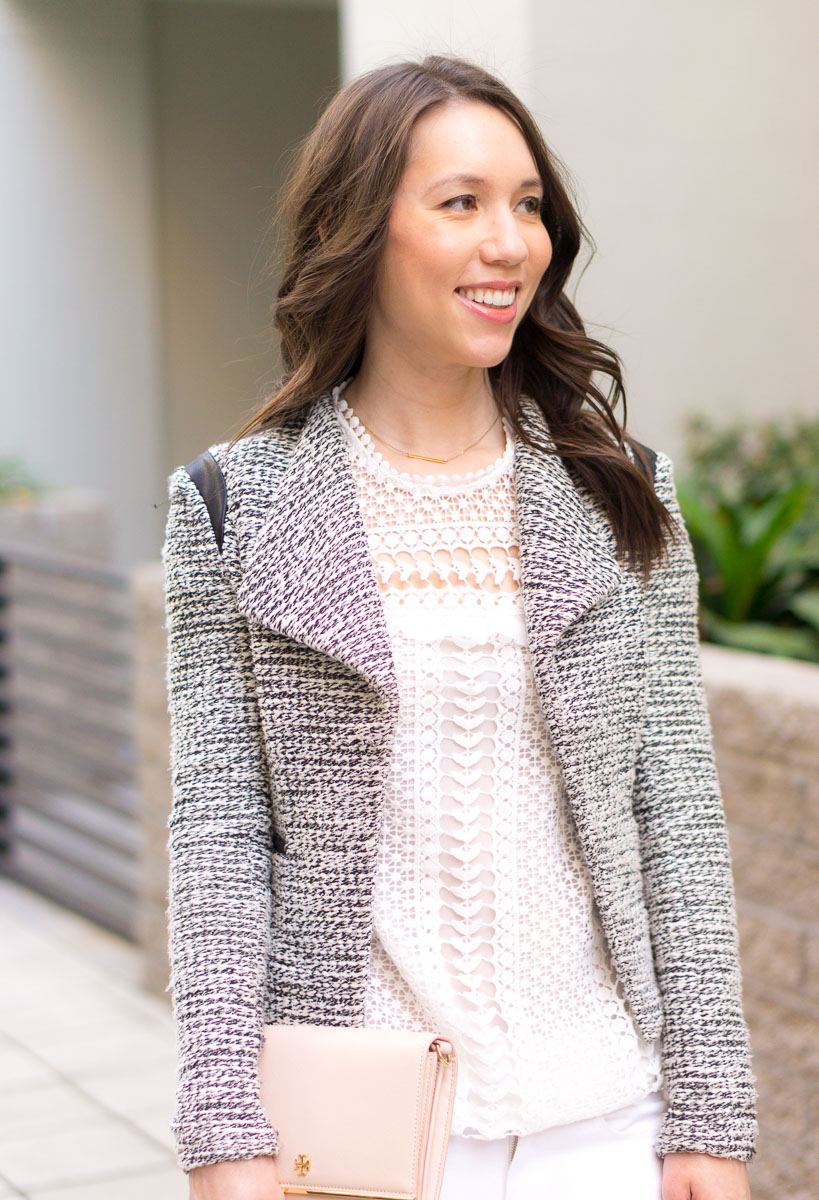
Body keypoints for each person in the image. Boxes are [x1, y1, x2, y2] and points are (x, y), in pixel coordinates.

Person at [162, 54, 757, 1200]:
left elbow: (674, 814)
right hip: (361, 1127)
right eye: (461, 203)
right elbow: (219, 841)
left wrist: (710, 1117)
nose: (510, 243)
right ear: (350, 228)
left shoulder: (619, 493)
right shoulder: (235, 506)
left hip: (609, 1119)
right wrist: (223, 1129)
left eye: (528, 205)